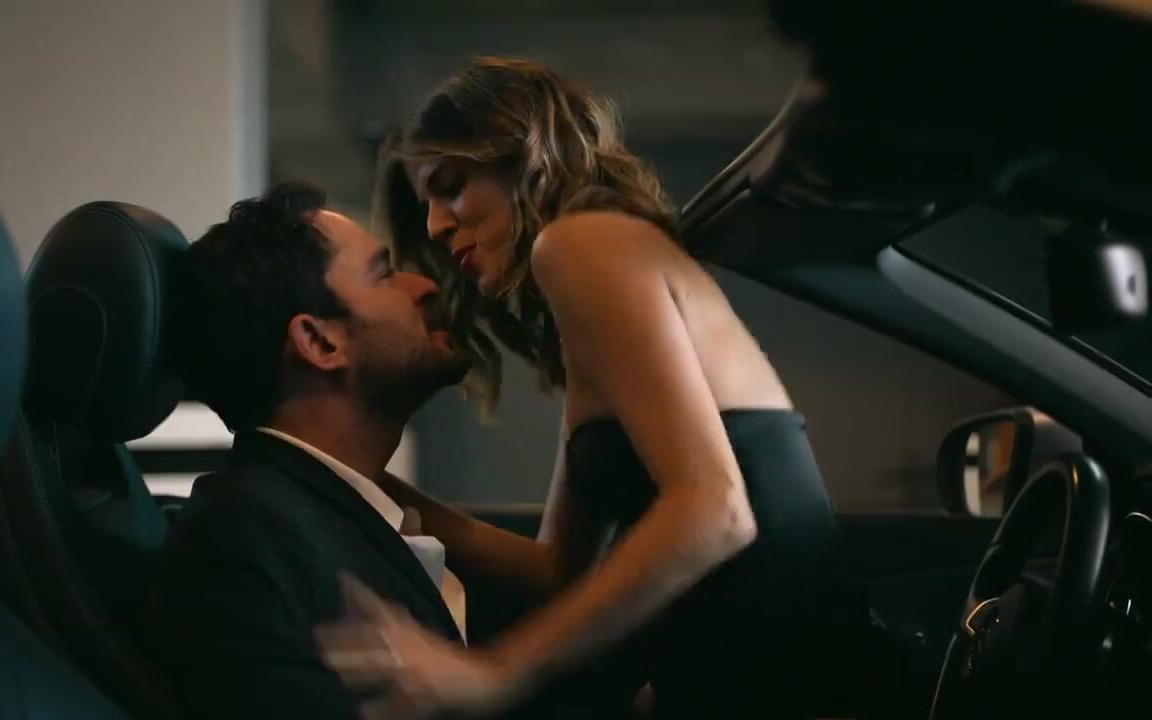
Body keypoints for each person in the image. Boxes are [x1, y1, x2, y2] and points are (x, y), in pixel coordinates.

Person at [317, 57, 841, 719]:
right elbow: (558, 570)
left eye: (451, 187)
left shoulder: (579, 245)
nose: (434, 226)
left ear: (524, 156)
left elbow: (716, 511)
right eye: (427, 204)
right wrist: (368, 484)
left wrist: (494, 671)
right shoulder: (591, 278)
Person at [140, 182, 475, 719]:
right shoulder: (242, 543)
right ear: (320, 342)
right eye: (383, 275)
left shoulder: (315, 509)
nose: (425, 286)